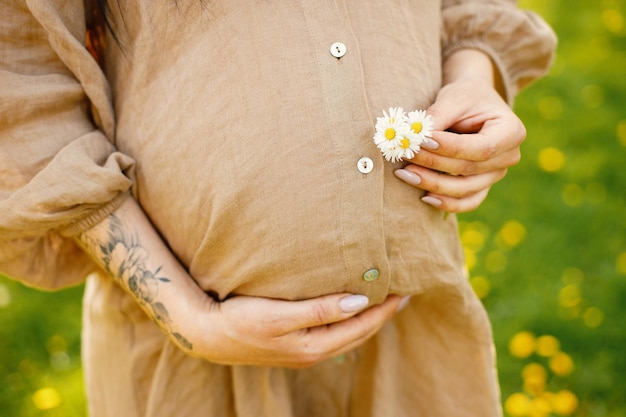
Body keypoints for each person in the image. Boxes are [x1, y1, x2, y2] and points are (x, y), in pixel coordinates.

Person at [0, 1, 556, 416]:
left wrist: (474, 79)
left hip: (416, 339)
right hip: (190, 360)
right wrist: (193, 320)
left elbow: (461, 8)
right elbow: (25, 91)